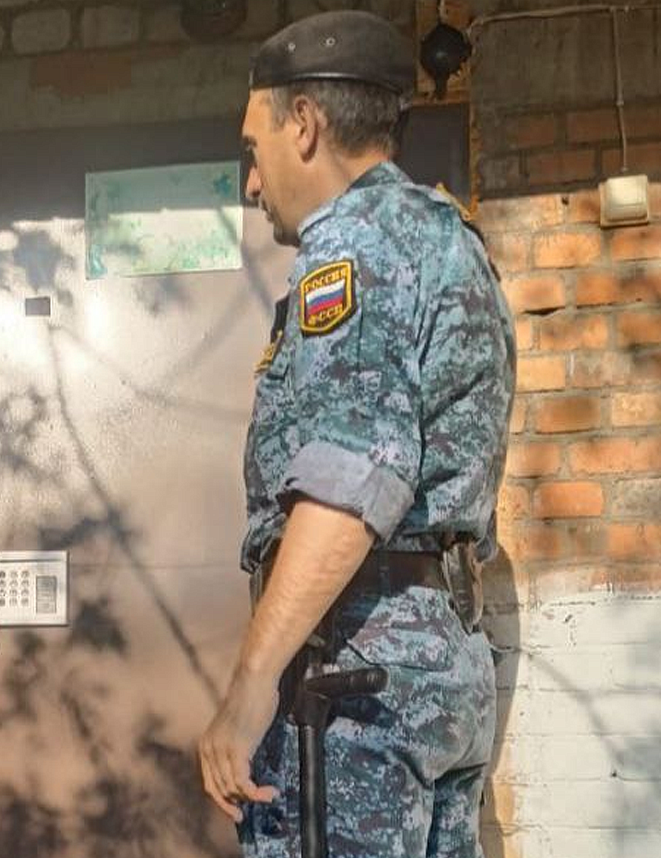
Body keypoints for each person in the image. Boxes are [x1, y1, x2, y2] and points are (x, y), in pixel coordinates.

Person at [198, 10, 515, 858]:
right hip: (444, 667)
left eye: (253, 149)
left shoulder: (355, 248)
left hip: (356, 677)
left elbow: (351, 482)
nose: (252, 184)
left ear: (303, 127)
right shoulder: (449, 238)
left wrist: (250, 684)